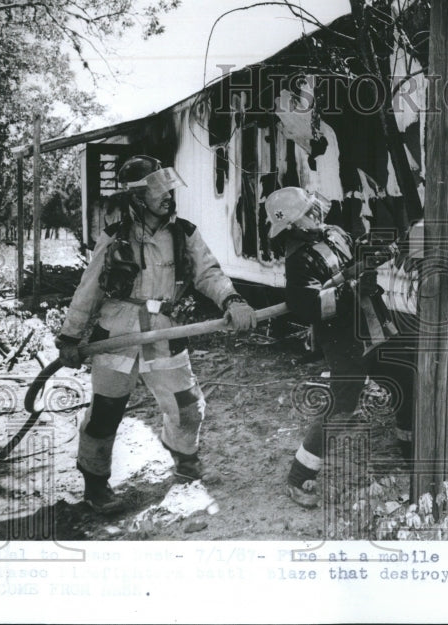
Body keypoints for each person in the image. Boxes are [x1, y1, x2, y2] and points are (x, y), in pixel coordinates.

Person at [55, 155, 257, 514]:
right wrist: (70, 337)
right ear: (137, 197)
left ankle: (184, 459)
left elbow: (209, 274)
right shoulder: (115, 238)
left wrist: (233, 299)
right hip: (117, 331)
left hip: (165, 329)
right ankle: (95, 483)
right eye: (157, 189)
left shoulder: (185, 233)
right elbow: (88, 290)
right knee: (105, 413)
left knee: (187, 406)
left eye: (167, 187)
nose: (167, 195)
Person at [265, 186, 412, 508]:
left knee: (404, 377)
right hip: (344, 340)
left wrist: (374, 252)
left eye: (313, 206)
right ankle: (300, 475)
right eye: (306, 212)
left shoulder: (333, 233)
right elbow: (309, 306)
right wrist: (354, 288)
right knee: (342, 407)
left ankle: (410, 447)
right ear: (292, 225)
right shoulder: (298, 259)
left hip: (374, 325)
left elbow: (351, 256)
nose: (316, 213)